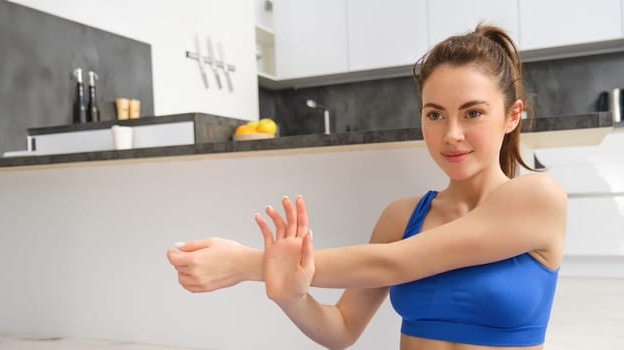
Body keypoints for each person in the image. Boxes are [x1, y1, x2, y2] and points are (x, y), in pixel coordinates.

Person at [167, 24, 567, 350]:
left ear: (512, 115)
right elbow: (341, 329)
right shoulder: (402, 217)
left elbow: (396, 263)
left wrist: (246, 263)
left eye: (473, 113)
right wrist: (291, 294)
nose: (452, 134)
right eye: (435, 114)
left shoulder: (538, 199)